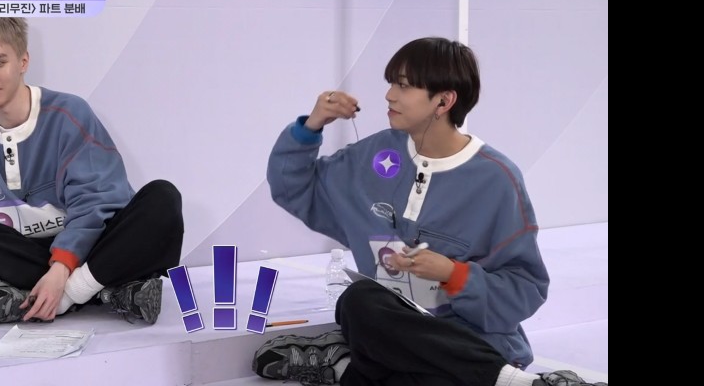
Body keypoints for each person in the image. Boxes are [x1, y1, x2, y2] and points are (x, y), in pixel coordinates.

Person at [253, 37, 605, 386]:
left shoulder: (496, 180)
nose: (390, 95)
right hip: (388, 324)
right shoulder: (373, 155)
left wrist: (454, 274)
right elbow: (293, 189)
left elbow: (524, 291)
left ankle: (345, 366)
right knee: (357, 302)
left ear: (444, 100)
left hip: (468, 342)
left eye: (404, 86)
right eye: (391, 83)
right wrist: (311, 126)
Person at [0, 17, 184, 327]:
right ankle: (114, 292)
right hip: (35, 257)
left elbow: (97, 202)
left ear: (23, 61)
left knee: (162, 199)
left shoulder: (69, 115)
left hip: (94, 247)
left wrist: (63, 271)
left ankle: (60, 300)